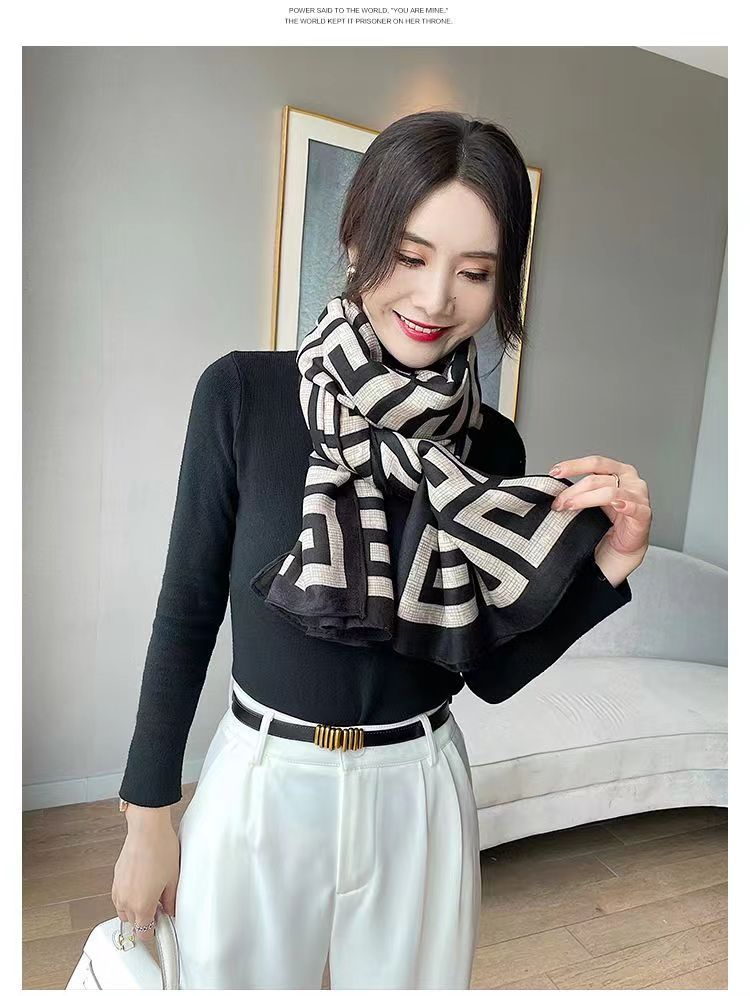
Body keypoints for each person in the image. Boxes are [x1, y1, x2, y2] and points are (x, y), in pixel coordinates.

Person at [111, 110, 652, 989]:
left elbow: (488, 671)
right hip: (263, 783)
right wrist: (148, 820)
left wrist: (608, 566)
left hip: (420, 789)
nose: (436, 299)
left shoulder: (492, 446)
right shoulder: (245, 395)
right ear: (358, 237)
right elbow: (186, 611)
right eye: (409, 255)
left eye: (474, 272)